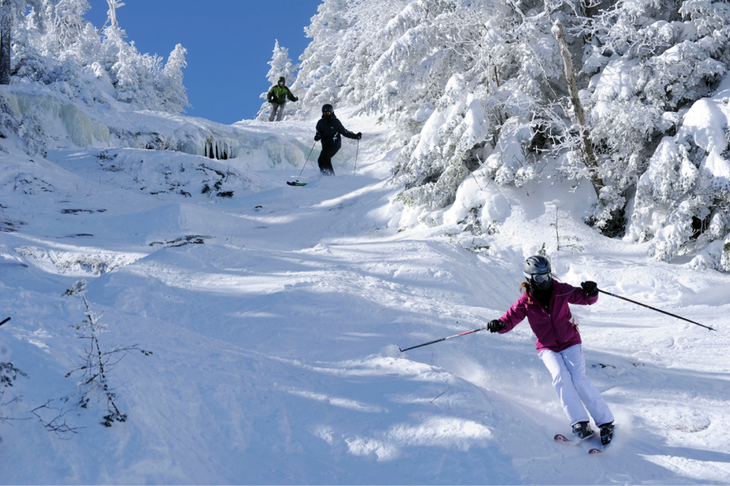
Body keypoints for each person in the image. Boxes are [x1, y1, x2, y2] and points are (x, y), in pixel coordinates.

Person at [487, 255, 615, 445]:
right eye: (539, 278)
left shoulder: (561, 290)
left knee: (579, 380)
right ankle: (580, 422)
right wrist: (499, 325)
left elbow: (586, 299)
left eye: (547, 275)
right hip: (547, 347)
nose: (545, 281)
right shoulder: (525, 302)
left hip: (570, 341)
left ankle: (605, 422)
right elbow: (509, 320)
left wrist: (591, 291)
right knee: (560, 377)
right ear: (530, 279)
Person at [314, 104, 361, 175]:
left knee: (325, 157)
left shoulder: (335, 122)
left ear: (331, 112)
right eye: (324, 113)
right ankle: (324, 175)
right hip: (325, 145)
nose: (326, 115)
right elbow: (318, 132)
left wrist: (355, 136)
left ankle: (331, 176)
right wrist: (317, 136)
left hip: (334, 144)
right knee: (320, 160)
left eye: (328, 113)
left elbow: (344, 132)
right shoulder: (320, 123)